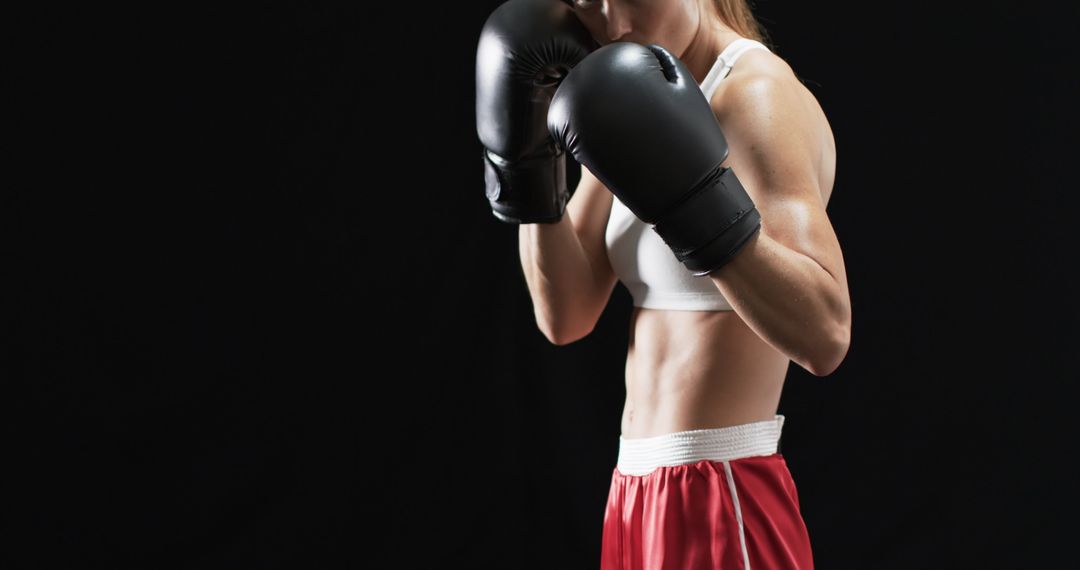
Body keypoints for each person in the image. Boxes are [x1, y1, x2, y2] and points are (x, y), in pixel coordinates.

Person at [477, 0, 850, 567]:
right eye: (584, 3)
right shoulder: (624, 99)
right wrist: (531, 168)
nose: (608, 22)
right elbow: (565, 316)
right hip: (634, 493)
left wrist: (695, 205)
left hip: (722, 496)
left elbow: (826, 332)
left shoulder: (756, 93)